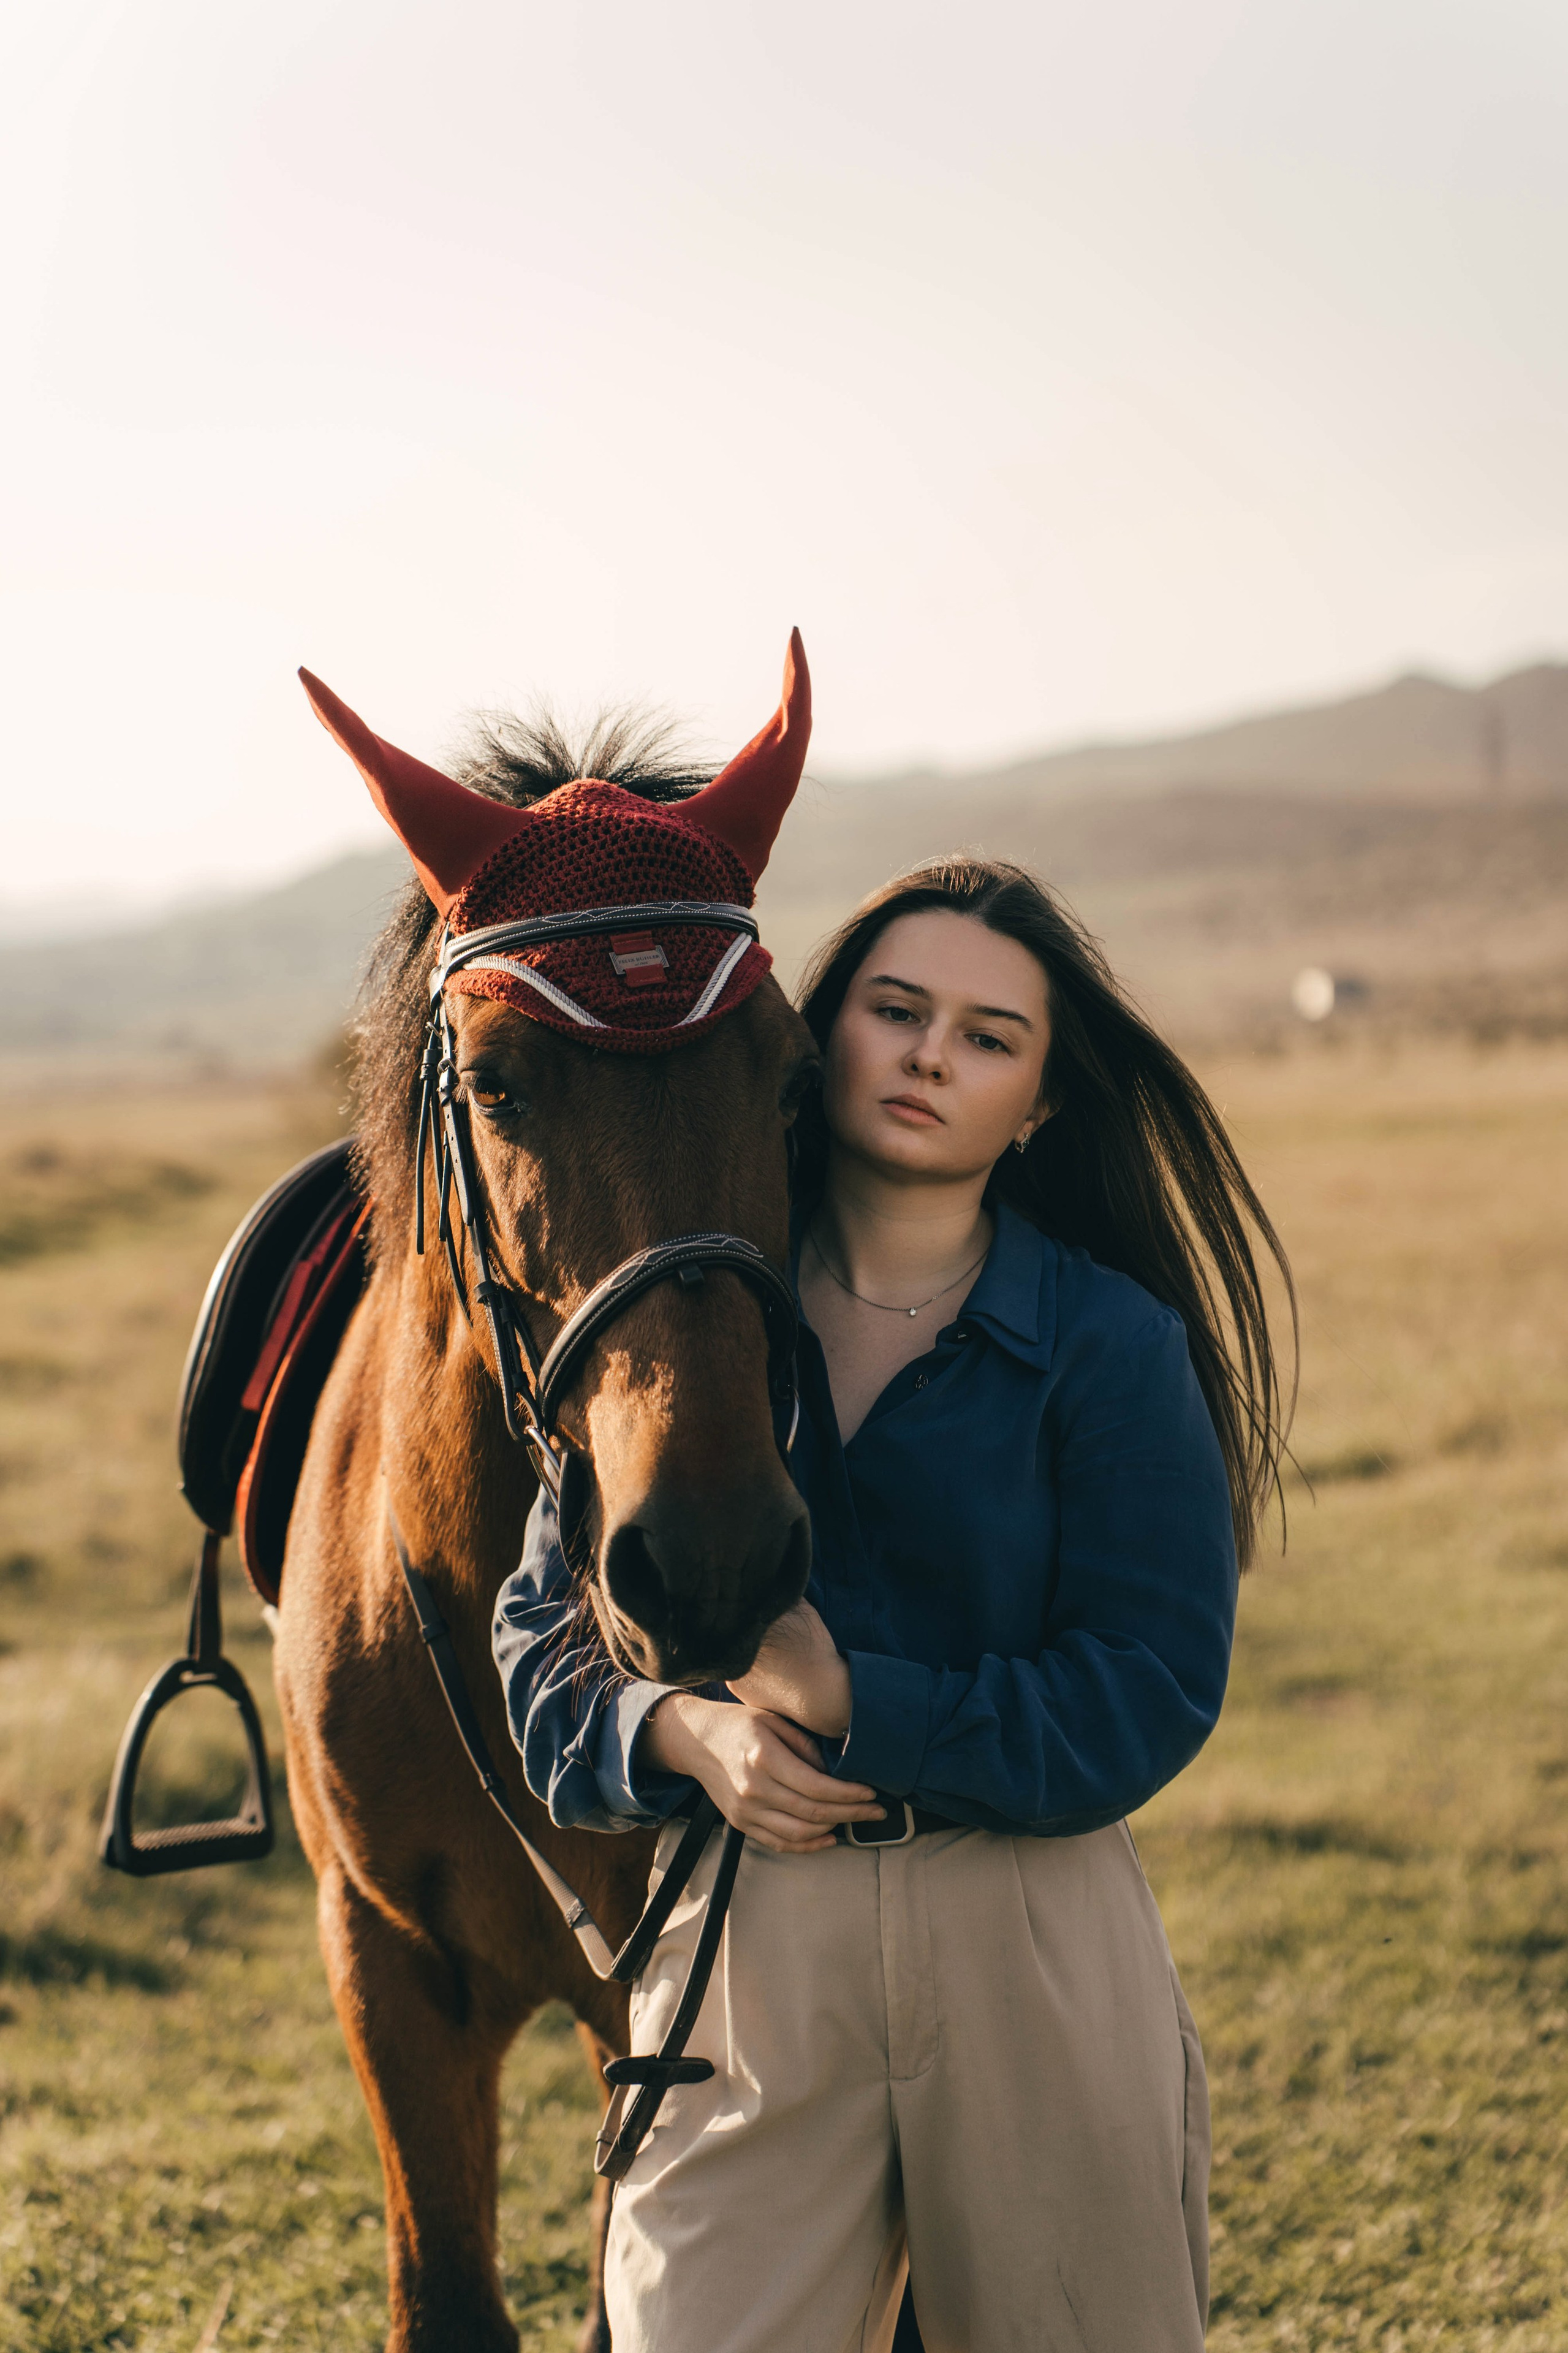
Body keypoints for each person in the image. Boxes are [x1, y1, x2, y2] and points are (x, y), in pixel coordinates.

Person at [493, 856, 1292, 2353]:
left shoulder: (1107, 1342)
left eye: (989, 1038)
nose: (931, 1054)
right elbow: (535, 1645)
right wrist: (684, 1736)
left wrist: (851, 1697)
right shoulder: (681, 1322)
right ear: (816, 1038)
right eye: (897, 1009)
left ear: (1040, 1106)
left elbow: (1146, 1686)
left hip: (1028, 1935)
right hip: (746, 1936)